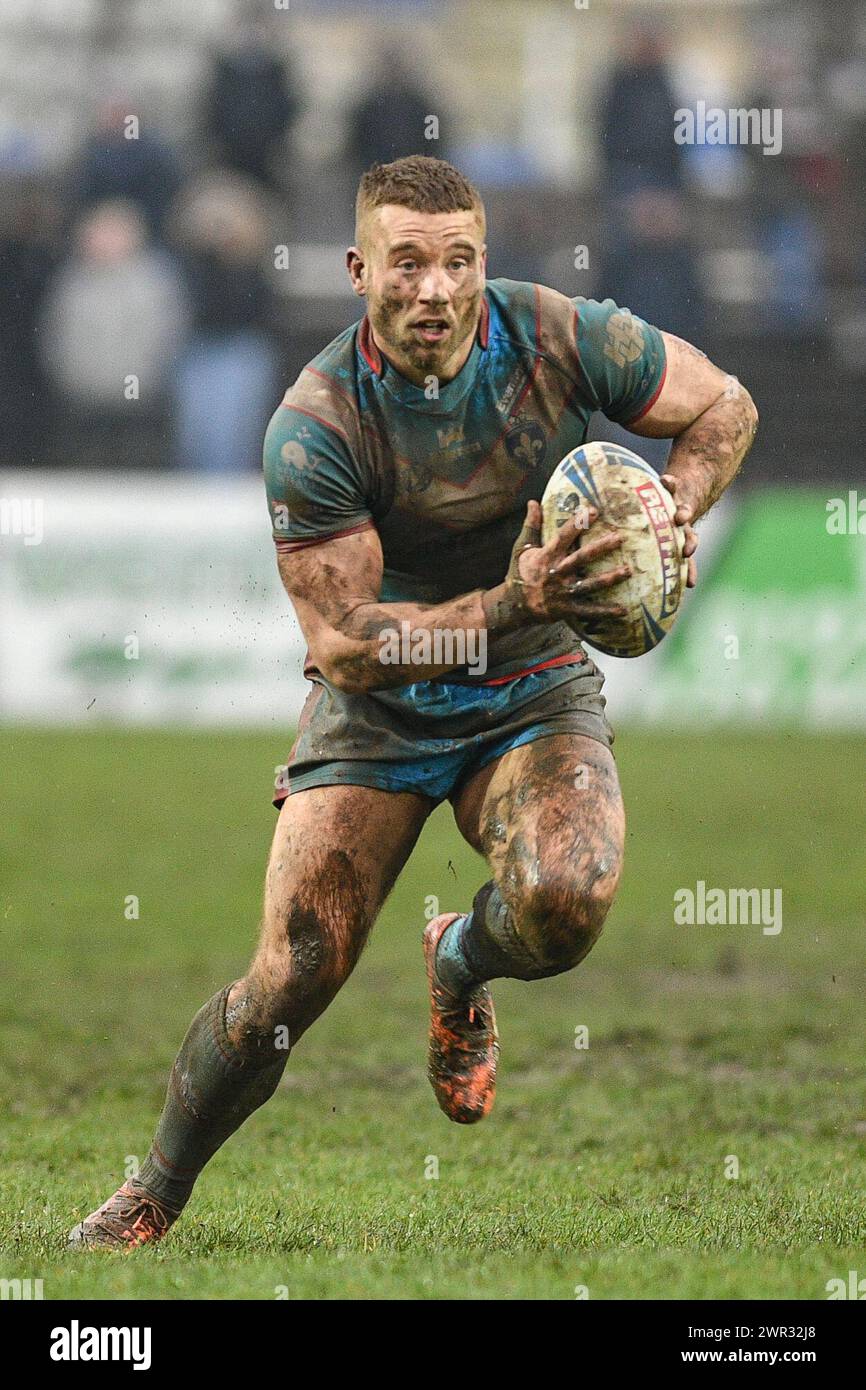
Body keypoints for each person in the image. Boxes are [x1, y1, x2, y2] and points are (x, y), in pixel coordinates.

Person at [70, 156, 757, 1249]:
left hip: (530, 686)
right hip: (378, 705)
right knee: (286, 981)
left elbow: (721, 402)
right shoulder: (316, 424)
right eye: (406, 265)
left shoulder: (560, 337)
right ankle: (153, 1187)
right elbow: (345, 646)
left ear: (483, 262)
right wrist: (509, 596)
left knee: (565, 900)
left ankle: (457, 962)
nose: (434, 290)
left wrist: (670, 510)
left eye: (457, 263)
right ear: (358, 271)